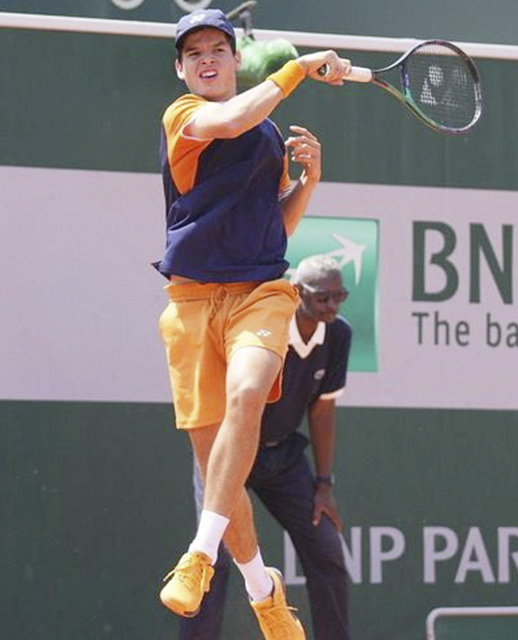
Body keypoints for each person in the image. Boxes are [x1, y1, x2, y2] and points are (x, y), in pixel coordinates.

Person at [154, 8, 351, 640]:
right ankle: (264, 591)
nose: (207, 59)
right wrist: (297, 68)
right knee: (218, 462)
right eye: (194, 54)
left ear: (236, 59)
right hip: (189, 304)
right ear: (181, 69)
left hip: (261, 294)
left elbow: (275, 229)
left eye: (218, 48)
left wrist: (310, 181)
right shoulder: (185, 117)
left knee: (247, 395)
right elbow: (232, 118)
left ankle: (200, 554)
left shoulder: (267, 138)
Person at [179, 255, 354, 640]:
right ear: (298, 292)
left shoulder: (338, 334)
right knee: (214, 562)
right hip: (228, 452)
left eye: (338, 295)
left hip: (284, 456)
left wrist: (324, 484)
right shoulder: (267, 324)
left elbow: (323, 411)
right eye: (323, 296)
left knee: (327, 550)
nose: (332, 305)